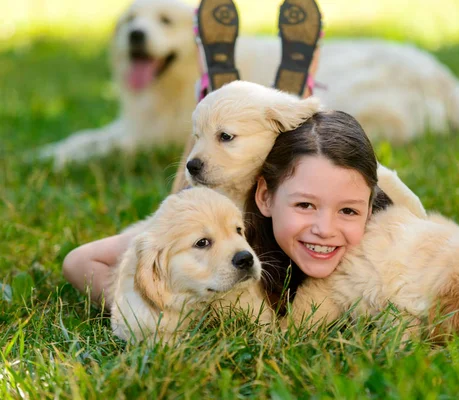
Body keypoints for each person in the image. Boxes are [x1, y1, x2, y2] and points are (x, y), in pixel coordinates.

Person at [62, 0, 324, 305]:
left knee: (83, 262)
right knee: (234, 169)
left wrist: (142, 312)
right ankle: (283, 111)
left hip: (200, 226)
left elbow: (81, 263)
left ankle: (233, 102)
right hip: (262, 245)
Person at [244, 110, 391, 314]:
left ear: (369, 210)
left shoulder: (392, 258)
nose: (324, 230)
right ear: (265, 196)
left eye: (348, 210)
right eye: (305, 205)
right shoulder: (228, 248)